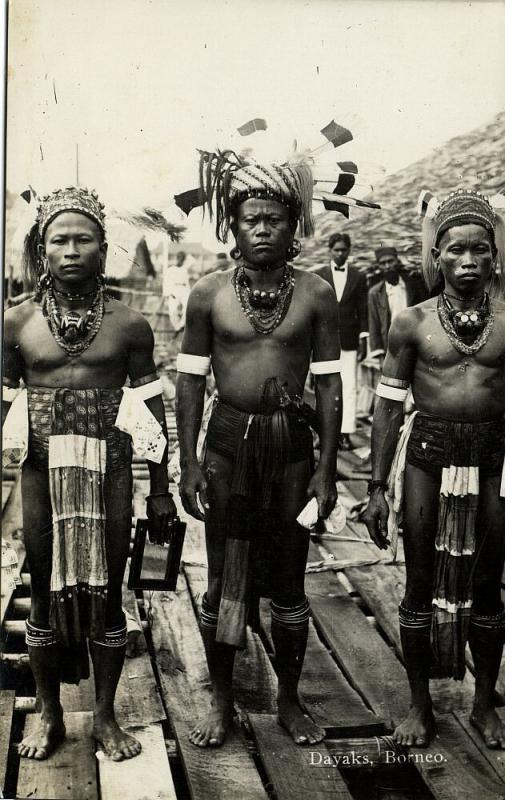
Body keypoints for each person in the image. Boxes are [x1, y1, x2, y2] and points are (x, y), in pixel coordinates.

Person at [2, 187, 177, 761]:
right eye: (60, 240)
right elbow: (5, 407)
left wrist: (159, 491)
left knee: (109, 590)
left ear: (104, 249)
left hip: (113, 467)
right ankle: (49, 713)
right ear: (41, 249)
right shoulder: (16, 323)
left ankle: (104, 716)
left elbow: (152, 409)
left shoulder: (129, 326)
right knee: (45, 589)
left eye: (84, 239)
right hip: (40, 471)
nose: (72, 249)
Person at [175, 150, 343, 747]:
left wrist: (327, 471)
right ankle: (221, 701)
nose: (263, 228)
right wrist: (189, 462)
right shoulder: (208, 294)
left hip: (291, 448)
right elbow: (191, 380)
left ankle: (291, 701)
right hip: (226, 445)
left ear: (292, 226)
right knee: (226, 580)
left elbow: (328, 382)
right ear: (233, 225)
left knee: (291, 581)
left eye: (274, 218)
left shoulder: (318, 293)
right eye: (251, 219)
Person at [363, 189, 505, 749]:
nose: (467, 261)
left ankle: (482, 704)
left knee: (490, 587)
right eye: (454, 251)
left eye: (478, 250)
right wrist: (376, 488)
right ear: (437, 257)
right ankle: (420, 706)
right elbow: (388, 406)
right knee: (419, 584)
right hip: (427, 460)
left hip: (494, 459)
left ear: (494, 256)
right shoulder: (411, 322)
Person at [313, 233, 368, 451]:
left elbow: (363, 310)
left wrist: (364, 338)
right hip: (323, 339)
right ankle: (321, 433)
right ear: (330, 251)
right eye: (336, 250)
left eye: (343, 250)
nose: (339, 254)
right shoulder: (319, 275)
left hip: (349, 339)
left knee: (350, 385)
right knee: (322, 384)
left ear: (349, 251)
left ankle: (345, 433)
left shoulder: (358, 276)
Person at [368, 246, 428, 362]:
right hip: (390, 346)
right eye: (383, 263)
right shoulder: (375, 293)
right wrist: (380, 356)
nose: (387, 266)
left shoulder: (413, 286)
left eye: (390, 261)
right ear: (379, 266)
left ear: (397, 261)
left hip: (414, 342)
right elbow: (374, 324)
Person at [162, 249, 191, 331]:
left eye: (183, 259)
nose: (181, 260)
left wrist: (189, 292)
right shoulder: (170, 269)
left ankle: (182, 324)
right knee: (172, 309)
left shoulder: (184, 270)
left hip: (184, 289)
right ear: (177, 258)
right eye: (180, 258)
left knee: (187, 307)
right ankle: (177, 326)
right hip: (174, 289)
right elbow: (166, 282)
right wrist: (167, 294)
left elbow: (187, 283)